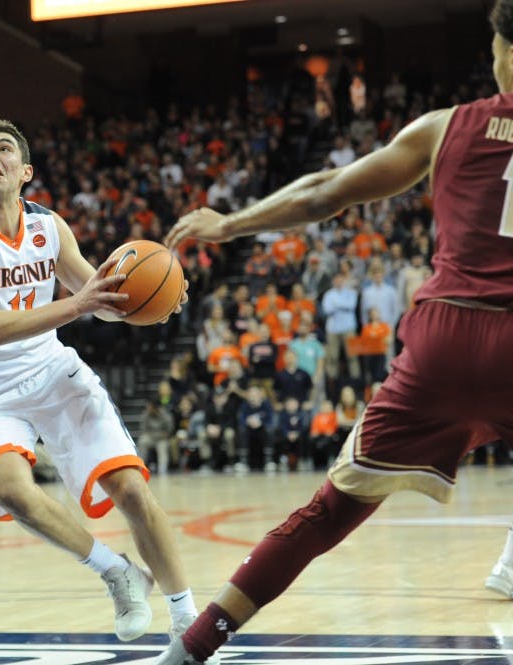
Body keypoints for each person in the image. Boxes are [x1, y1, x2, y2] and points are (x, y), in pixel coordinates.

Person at [161, 3, 513, 660]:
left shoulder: (445, 126)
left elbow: (326, 191)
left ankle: (192, 646)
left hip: (447, 335)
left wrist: (230, 224)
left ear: (504, 53)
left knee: (328, 512)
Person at [0, 118, 198, 661]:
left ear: (25, 171)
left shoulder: (49, 225)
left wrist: (154, 301)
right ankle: (115, 571)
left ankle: (188, 622)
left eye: (4, 148)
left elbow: (102, 299)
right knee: (10, 489)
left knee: (131, 490)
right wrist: (81, 304)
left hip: (54, 374)